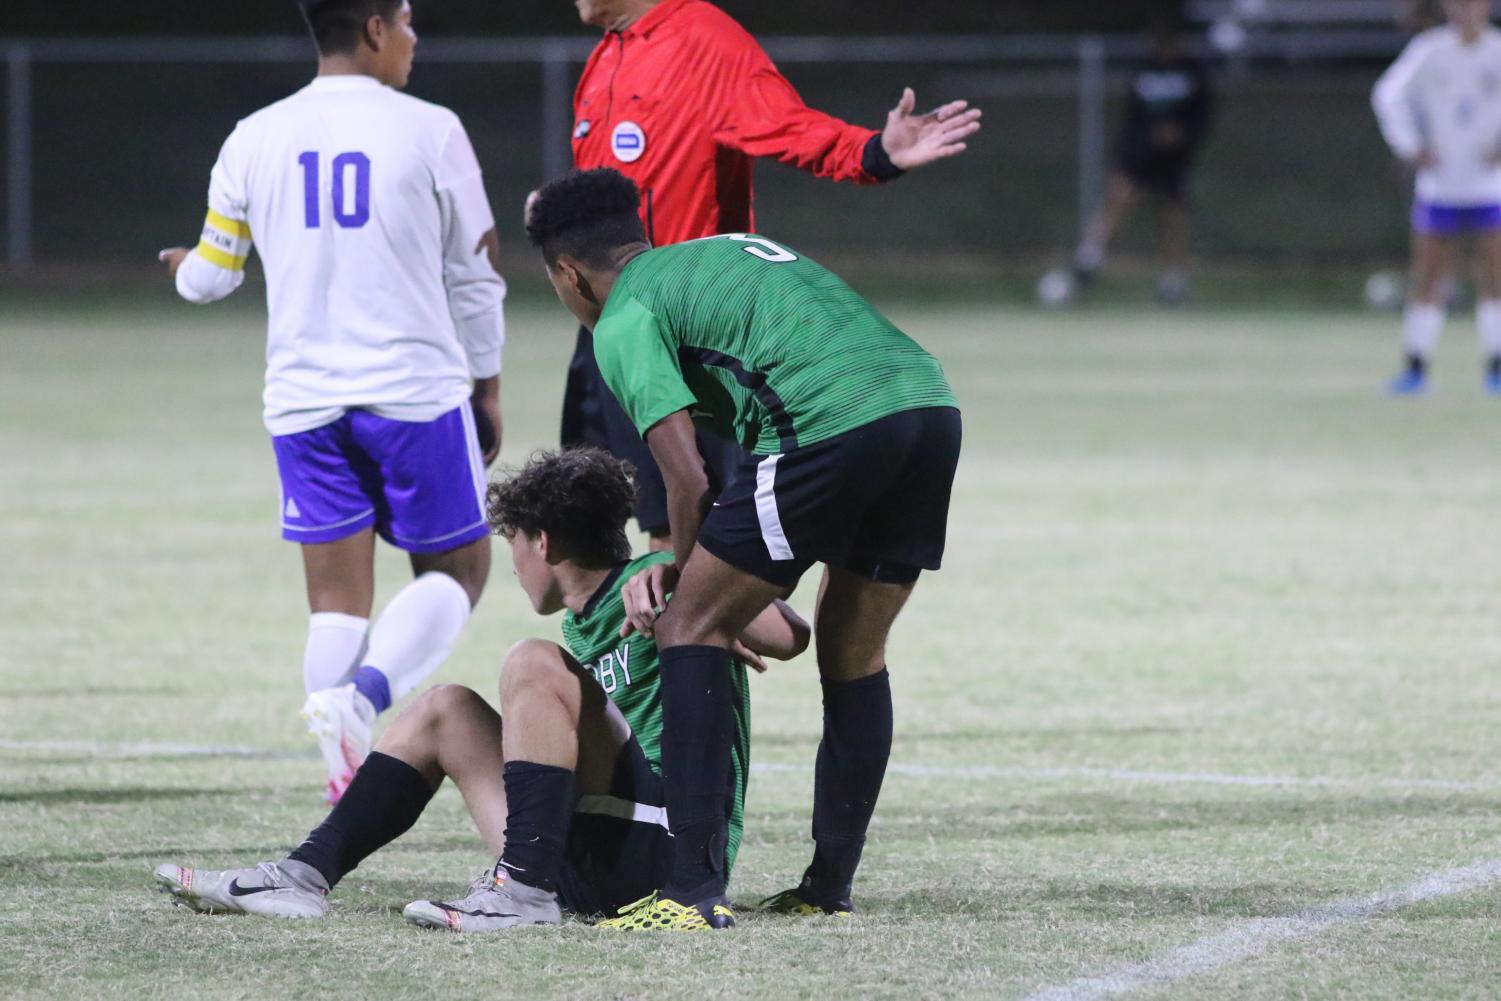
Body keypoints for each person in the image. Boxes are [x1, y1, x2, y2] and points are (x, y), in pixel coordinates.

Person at [526, 169, 962, 930]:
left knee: (686, 626)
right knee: (852, 648)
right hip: (926, 404)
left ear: (568, 274)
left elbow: (686, 475)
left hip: (832, 420)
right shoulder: (717, 252)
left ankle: (688, 893)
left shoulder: (623, 316)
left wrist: (695, 591)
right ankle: (827, 885)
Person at [152, 448, 810, 930]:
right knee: (445, 707)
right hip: (589, 853)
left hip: (666, 852)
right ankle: (306, 873)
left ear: (542, 541)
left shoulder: (656, 582)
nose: (514, 561)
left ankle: (521, 889)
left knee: (529, 660)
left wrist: (682, 568)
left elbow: (787, 633)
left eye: (514, 540)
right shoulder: (583, 626)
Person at [158, 0, 508, 803]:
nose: (416, 43)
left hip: (303, 401)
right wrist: (486, 383)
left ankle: (338, 759)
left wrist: (178, 266)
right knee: (460, 568)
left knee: (335, 599)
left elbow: (212, 275)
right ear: (377, 29)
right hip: (413, 390)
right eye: (410, 25)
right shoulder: (431, 128)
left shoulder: (253, 134)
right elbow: (477, 271)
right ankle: (366, 699)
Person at [557, 0, 981, 545]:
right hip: (611, 325)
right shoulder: (604, 58)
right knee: (605, 520)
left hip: (688, 331)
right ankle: (662, 625)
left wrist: (872, 152)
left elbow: (782, 123)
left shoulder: (701, 36)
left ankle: (707, 627)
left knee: (692, 522)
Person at [1373, 0, 1501, 395]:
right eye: (1458, 3)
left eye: (1474, 2)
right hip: (1440, 185)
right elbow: (1388, 96)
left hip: (1489, 185)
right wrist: (1412, 147)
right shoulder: (1429, 50)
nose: (1466, 10)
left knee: (1494, 275)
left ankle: (1496, 366)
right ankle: (1416, 366)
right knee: (1429, 276)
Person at [1072, 15, 1213, 304]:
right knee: (1119, 197)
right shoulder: (1144, 69)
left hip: (1175, 158)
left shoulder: (1193, 71)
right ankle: (1088, 260)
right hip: (1140, 152)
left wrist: (1181, 134)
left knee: (1172, 214)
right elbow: (1132, 115)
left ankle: (1173, 281)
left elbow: (1203, 115)